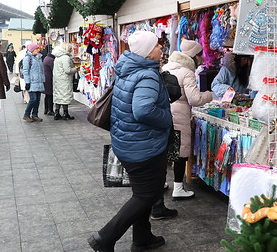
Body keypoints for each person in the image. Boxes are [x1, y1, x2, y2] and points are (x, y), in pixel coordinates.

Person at [88, 31, 172, 252]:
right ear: (146, 51)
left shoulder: (128, 68)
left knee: (142, 194)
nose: (160, 49)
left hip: (128, 141)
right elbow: (143, 110)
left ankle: (142, 238)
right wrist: (167, 119)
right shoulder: (146, 75)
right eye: (156, 46)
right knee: (147, 195)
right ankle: (105, 238)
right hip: (144, 146)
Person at [159, 39, 213, 201]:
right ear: (193, 56)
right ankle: (178, 188)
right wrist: (210, 95)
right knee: (181, 152)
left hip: (165, 112)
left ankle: (160, 183)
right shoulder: (187, 72)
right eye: (199, 55)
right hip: (180, 114)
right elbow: (195, 99)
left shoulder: (166, 67)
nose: (201, 59)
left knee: (166, 150)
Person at [52, 43, 77, 120]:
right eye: (70, 48)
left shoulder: (57, 57)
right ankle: (66, 113)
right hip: (64, 80)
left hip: (57, 79)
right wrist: (76, 69)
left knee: (58, 96)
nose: (71, 49)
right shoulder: (66, 57)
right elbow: (67, 70)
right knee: (65, 96)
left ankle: (57, 112)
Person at [22, 43, 45, 122]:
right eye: (36, 49)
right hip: (32, 82)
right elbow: (25, 71)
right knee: (33, 99)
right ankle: (26, 114)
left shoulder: (39, 58)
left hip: (39, 82)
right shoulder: (27, 59)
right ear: (32, 50)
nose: (38, 50)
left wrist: (43, 80)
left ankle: (35, 114)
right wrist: (27, 82)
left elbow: (41, 71)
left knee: (38, 99)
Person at [43, 45, 55, 115]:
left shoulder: (46, 58)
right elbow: (53, 70)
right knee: (50, 95)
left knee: (47, 95)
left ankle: (46, 109)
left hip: (46, 78)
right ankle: (50, 110)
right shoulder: (51, 60)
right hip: (49, 79)